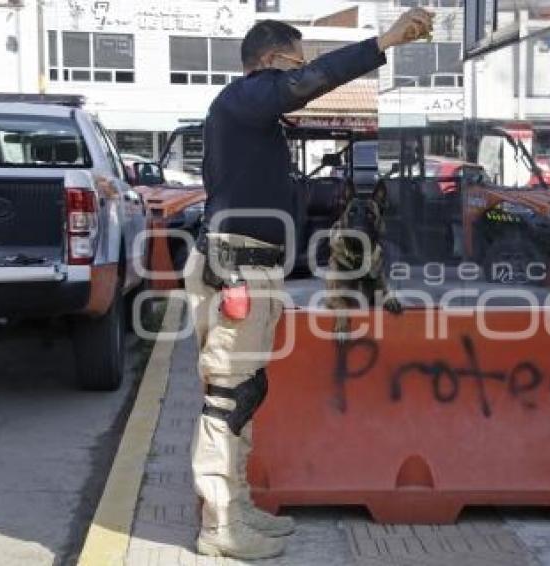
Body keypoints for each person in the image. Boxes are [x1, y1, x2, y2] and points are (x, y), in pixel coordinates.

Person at [183, 8, 434, 560]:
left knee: (246, 391)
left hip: (254, 266)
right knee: (229, 396)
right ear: (271, 63)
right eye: (296, 62)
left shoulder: (252, 121)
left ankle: (236, 505)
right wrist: (384, 42)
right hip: (237, 268)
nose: (302, 74)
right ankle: (220, 527)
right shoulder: (241, 100)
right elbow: (303, 86)